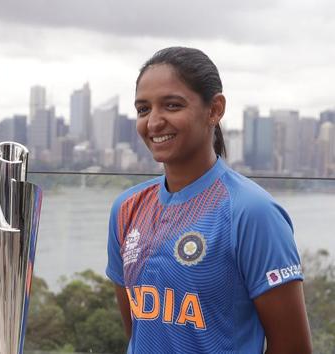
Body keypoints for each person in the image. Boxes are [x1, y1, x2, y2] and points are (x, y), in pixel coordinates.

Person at [106, 47, 312, 353]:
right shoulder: (126, 209)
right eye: (143, 109)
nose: (154, 122)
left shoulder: (252, 212)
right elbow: (139, 330)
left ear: (214, 110)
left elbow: (292, 347)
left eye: (172, 106)